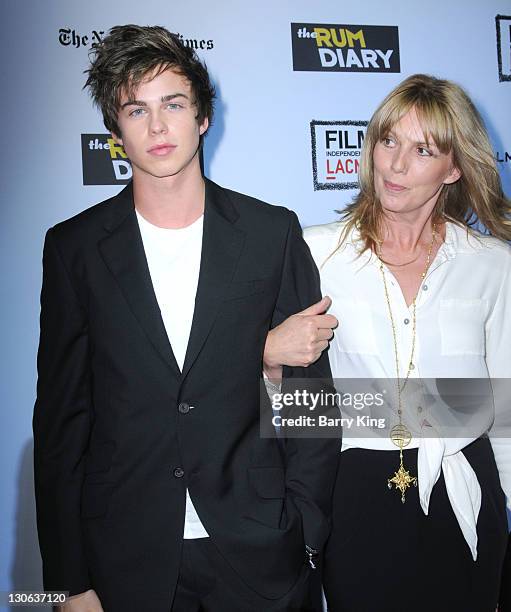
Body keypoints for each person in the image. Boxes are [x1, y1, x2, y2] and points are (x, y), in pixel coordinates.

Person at [32, 24, 340, 612]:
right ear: (115, 129)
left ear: (202, 117)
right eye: (135, 109)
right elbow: (60, 426)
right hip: (125, 561)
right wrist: (67, 583)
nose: (156, 127)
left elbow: (312, 401)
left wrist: (307, 536)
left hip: (261, 556)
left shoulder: (270, 232)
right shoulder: (74, 248)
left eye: (173, 104)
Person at [263, 74, 511, 611]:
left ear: (454, 167)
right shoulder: (315, 252)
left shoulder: (492, 264)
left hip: (464, 483)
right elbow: (295, 405)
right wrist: (267, 359)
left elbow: (507, 414)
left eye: (423, 150)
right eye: (388, 140)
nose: (396, 164)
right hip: (353, 489)